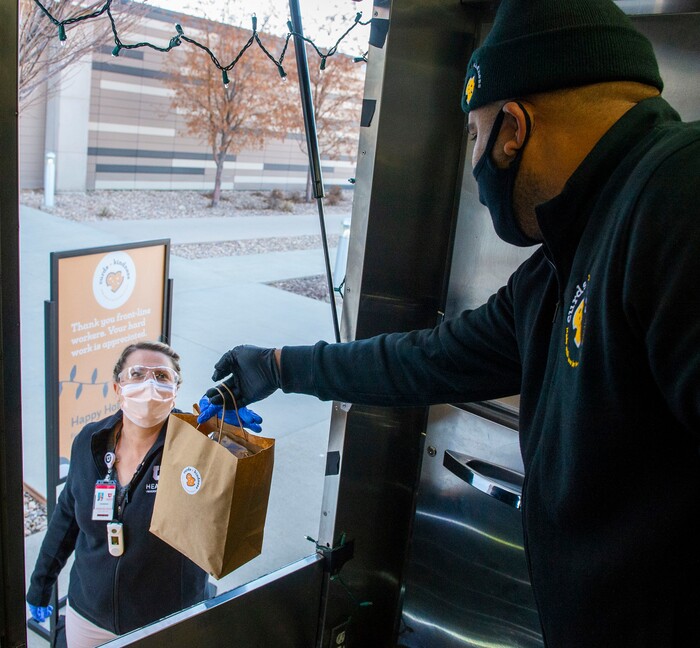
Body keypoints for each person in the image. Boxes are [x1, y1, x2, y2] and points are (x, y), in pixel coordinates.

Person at [203, 1, 700, 646]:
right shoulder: (565, 260)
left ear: (513, 129)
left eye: (473, 135)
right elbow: (430, 358)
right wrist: (279, 366)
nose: (474, 162)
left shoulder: (676, 195)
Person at [26, 341, 261, 648]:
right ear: (117, 387)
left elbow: (225, 517)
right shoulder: (90, 441)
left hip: (166, 622)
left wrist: (228, 441)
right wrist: (41, 583)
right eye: (136, 374)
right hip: (88, 615)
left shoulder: (198, 447)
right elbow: (66, 517)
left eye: (162, 376)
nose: (149, 384)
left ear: (176, 389)